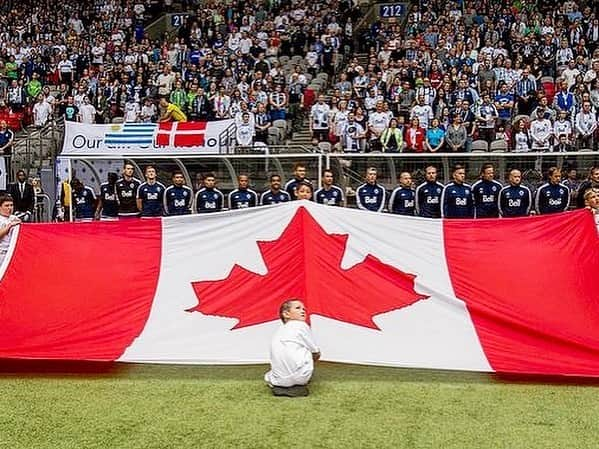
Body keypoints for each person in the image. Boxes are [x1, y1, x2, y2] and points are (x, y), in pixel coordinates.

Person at [264, 299, 320, 397]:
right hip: (301, 377)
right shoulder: (301, 325)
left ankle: (281, 385)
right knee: (311, 351)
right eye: (298, 308)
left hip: (279, 380)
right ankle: (300, 381)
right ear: (286, 314)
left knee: (268, 375)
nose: (303, 311)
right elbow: (315, 351)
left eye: (304, 309)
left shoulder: (278, 331)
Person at [0, 194, 20, 265]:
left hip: (14, 253)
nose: (10, 208)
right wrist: (9, 226)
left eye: (11, 205)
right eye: (6, 205)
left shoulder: (15, 218)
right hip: (2, 253)